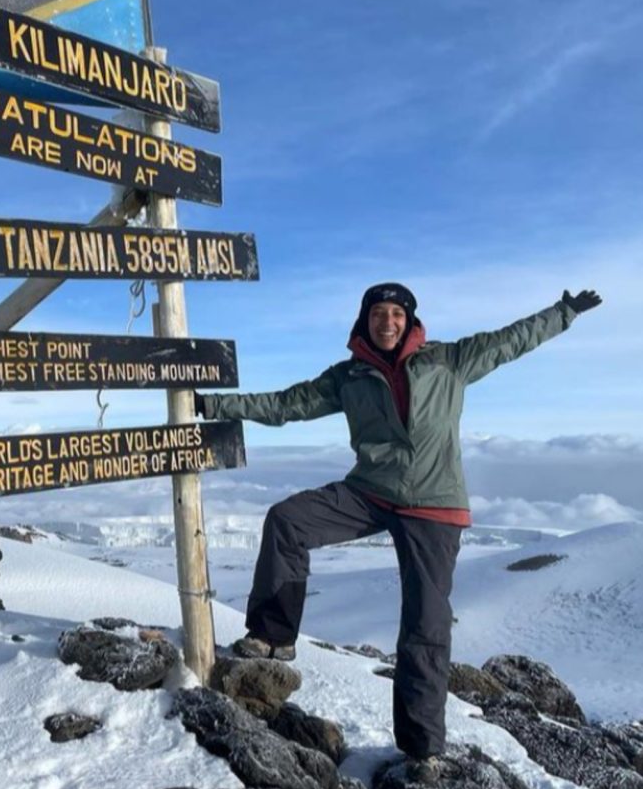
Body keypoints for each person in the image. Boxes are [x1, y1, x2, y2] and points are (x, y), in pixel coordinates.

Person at [194, 283, 601, 761]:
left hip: (434, 504)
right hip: (371, 491)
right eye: (377, 314)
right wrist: (215, 405)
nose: (386, 322)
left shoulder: (449, 359)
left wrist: (564, 312)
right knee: (288, 520)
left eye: (395, 314)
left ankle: (422, 750)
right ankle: (272, 637)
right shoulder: (349, 376)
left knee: (424, 626)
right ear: (364, 320)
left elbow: (512, 339)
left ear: (409, 320)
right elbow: (288, 404)